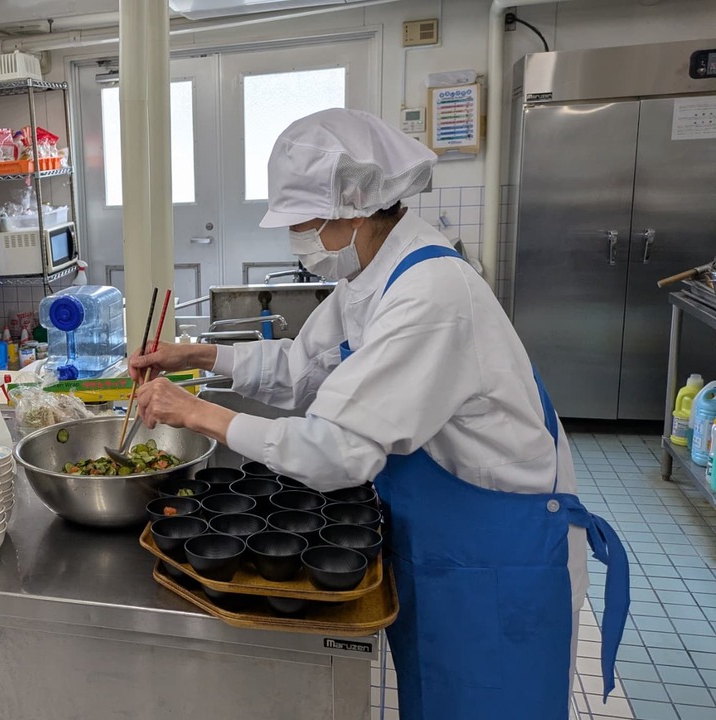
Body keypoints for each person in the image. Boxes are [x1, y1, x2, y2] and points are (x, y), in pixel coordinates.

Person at [131, 109, 628, 719]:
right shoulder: (372, 277)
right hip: (444, 545)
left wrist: (198, 413)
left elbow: (339, 450)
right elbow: (302, 367)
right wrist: (201, 354)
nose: (294, 237)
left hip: (500, 560)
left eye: (301, 221)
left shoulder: (432, 292)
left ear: (354, 204)